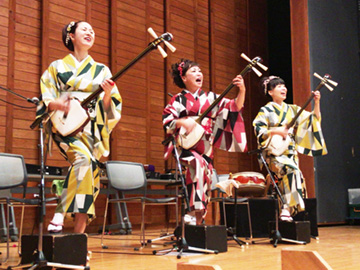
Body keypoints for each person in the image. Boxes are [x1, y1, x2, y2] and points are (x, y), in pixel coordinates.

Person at [35, 21, 122, 233]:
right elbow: (45, 98)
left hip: (92, 128)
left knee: (90, 172)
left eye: (92, 30)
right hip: (66, 127)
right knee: (83, 160)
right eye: (84, 29)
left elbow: (112, 108)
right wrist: (58, 103)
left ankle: (77, 239)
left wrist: (108, 93)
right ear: (71, 36)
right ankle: (60, 211)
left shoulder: (102, 70)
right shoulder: (57, 67)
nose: (90, 32)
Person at [162, 59, 248, 225]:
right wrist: (182, 122)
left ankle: (198, 222)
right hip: (184, 146)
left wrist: (242, 90)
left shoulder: (211, 97)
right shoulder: (178, 100)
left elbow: (234, 107)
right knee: (198, 165)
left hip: (205, 145)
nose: (198, 73)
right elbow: (167, 121)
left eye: (199, 71)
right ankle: (192, 212)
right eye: (193, 71)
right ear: (184, 78)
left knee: (205, 175)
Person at [252, 76, 327, 221]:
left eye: (284, 85)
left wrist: (317, 103)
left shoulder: (292, 109)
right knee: (291, 171)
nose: (283, 88)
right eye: (278, 86)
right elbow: (259, 131)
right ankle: (286, 208)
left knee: (294, 173)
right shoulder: (265, 110)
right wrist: (276, 131)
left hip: (290, 153)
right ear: (270, 92)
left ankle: (287, 210)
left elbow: (313, 121)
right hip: (274, 154)